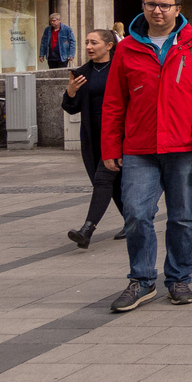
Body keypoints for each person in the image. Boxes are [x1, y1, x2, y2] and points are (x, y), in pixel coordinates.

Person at [101, 0, 192, 313]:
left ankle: (178, 278)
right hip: (139, 147)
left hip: (185, 146)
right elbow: (114, 102)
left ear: (178, 8)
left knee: (182, 218)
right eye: (151, 5)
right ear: (143, 7)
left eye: (164, 5)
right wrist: (109, 146)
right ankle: (143, 280)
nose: (157, 11)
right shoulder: (127, 48)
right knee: (135, 214)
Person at [63, 30, 124, 247]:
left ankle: (87, 230)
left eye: (94, 42)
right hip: (93, 135)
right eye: (86, 42)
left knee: (103, 179)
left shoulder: (121, 68)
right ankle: (133, 220)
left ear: (108, 46)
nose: (88, 46)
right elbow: (71, 108)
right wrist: (70, 92)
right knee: (112, 183)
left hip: (119, 134)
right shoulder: (81, 73)